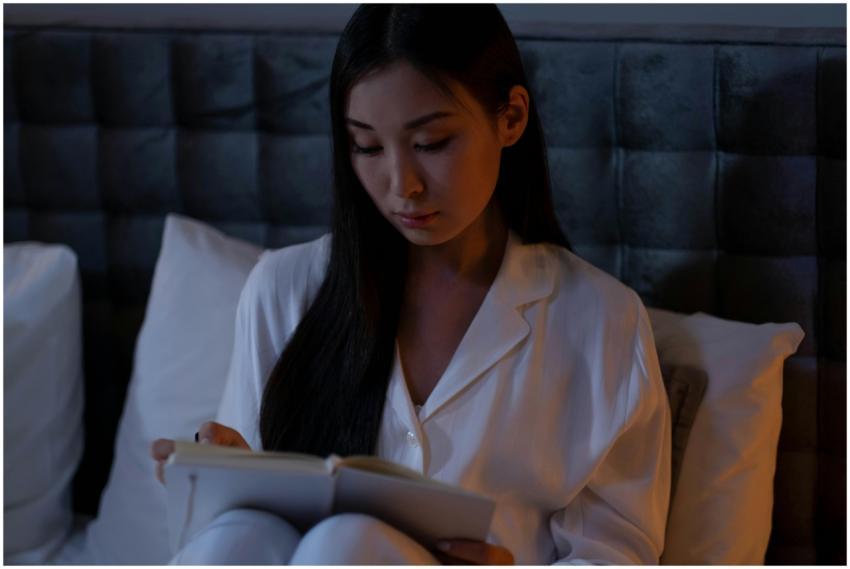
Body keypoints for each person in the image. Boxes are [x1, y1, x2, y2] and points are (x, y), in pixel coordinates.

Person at [152, 4, 671, 565]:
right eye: (368, 147)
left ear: (511, 117)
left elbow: (620, 552)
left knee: (347, 545)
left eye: (431, 143)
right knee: (240, 537)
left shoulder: (597, 320)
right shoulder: (283, 291)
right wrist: (225, 478)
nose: (403, 186)